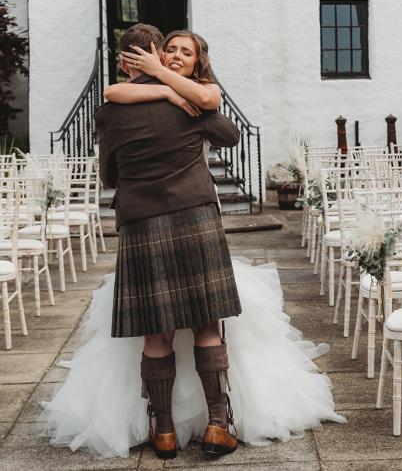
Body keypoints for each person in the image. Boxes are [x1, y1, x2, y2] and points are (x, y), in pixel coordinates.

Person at [39, 25, 345, 460]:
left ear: (127, 60)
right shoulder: (189, 102)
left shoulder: (109, 112)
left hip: (142, 225)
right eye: (170, 50)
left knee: (156, 330)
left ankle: (163, 430)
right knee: (206, 324)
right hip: (195, 218)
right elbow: (230, 135)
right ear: (157, 54)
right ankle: (219, 424)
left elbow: (108, 176)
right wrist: (182, 102)